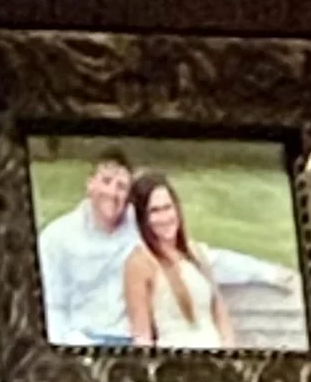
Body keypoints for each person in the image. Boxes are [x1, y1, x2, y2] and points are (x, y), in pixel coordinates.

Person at [122, 171, 238, 349]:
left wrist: (229, 350)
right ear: (143, 218)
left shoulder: (195, 252)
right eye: (154, 211)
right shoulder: (139, 262)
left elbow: (219, 311)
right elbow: (141, 336)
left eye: (167, 207)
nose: (164, 218)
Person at [35, 150, 134, 346]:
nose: (113, 193)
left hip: (132, 340)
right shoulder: (56, 237)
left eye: (122, 187)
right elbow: (52, 306)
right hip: (81, 339)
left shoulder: (141, 228)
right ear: (90, 184)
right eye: (106, 181)